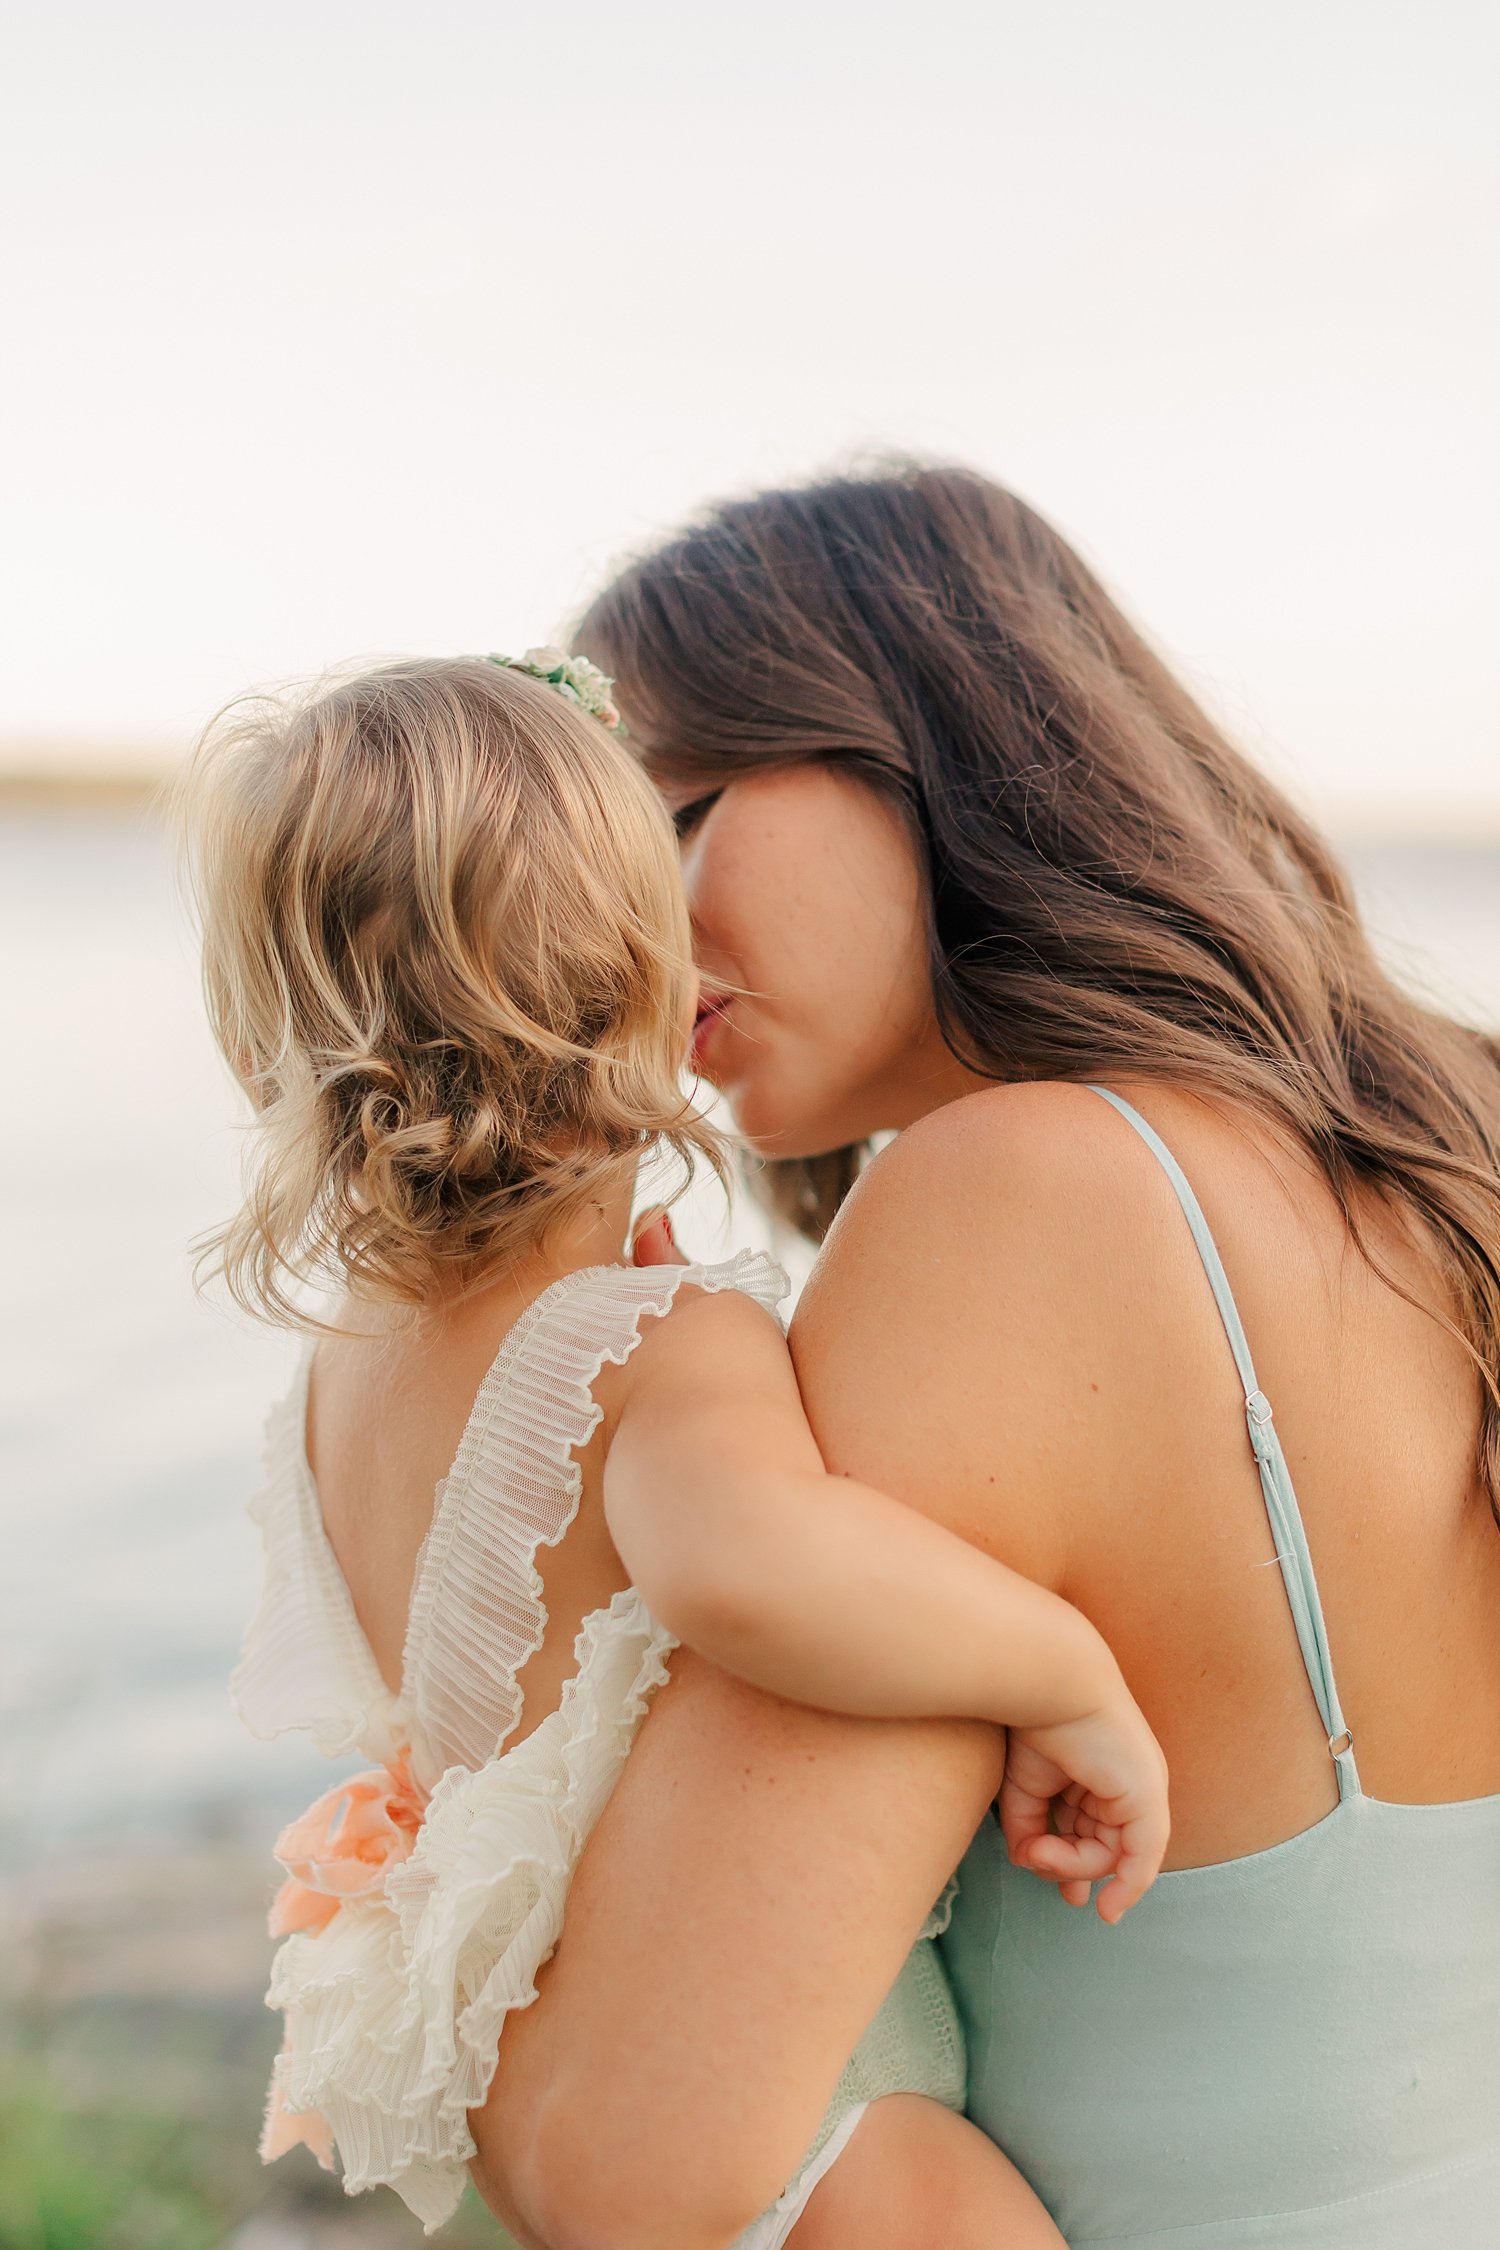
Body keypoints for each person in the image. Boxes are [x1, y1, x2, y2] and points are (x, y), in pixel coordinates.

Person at [470, 466, 1500, 2250]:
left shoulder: (1009, 1203)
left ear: (927, 738)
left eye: (684, 818)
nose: (620, 941)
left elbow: (625, 2161)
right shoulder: (1458, 1125)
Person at [184, 650, 1167, 2244]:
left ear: (269, 1041)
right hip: (816, 2140)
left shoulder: (342, 1372)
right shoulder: (650, 1340)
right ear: (646, 985)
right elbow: (748, 1567)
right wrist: (1066, 1673)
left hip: (554, 2053)